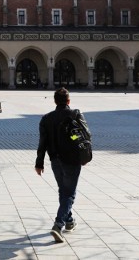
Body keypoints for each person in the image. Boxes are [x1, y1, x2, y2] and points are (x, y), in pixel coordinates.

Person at [35, 87, 89, 243]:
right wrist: (85, 155)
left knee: (63, 191)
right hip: (72, 159)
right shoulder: (75, 114)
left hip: (55, 160)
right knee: (69, 193)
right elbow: (86, 134)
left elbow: (42, 143)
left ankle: (70, 221)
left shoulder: (46, 119)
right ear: (68, 101)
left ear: (54, 101)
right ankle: (58, 225)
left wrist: (39, 163)